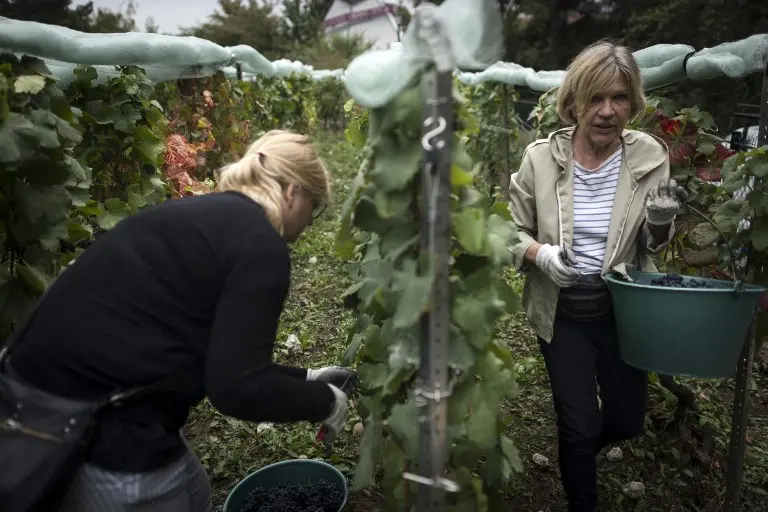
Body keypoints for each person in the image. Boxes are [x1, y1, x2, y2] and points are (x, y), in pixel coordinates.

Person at [1, 130, 357, 512]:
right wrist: (325, 402)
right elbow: (238, 389)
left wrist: (305, 378)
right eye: (314, 206)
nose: (308, 223)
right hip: (97, 427)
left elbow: (216, 353)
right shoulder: (259, 243)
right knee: (176, 493)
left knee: (194, 490)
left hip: (38, 399)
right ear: (292, 192)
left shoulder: (197, 219)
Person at [507, 40, 685, 511]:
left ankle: (583, 447)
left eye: (620, 98)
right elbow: (505, 229)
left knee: (627, 422)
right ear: (574, 104)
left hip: (623, 311)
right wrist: (540, 254)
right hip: (562, 313)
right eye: (596, 99)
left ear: (633, 102)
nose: (608, 112)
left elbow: (652, 244)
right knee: (578, 424)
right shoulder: (541, 159)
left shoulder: (650, 156)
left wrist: (663, 223)